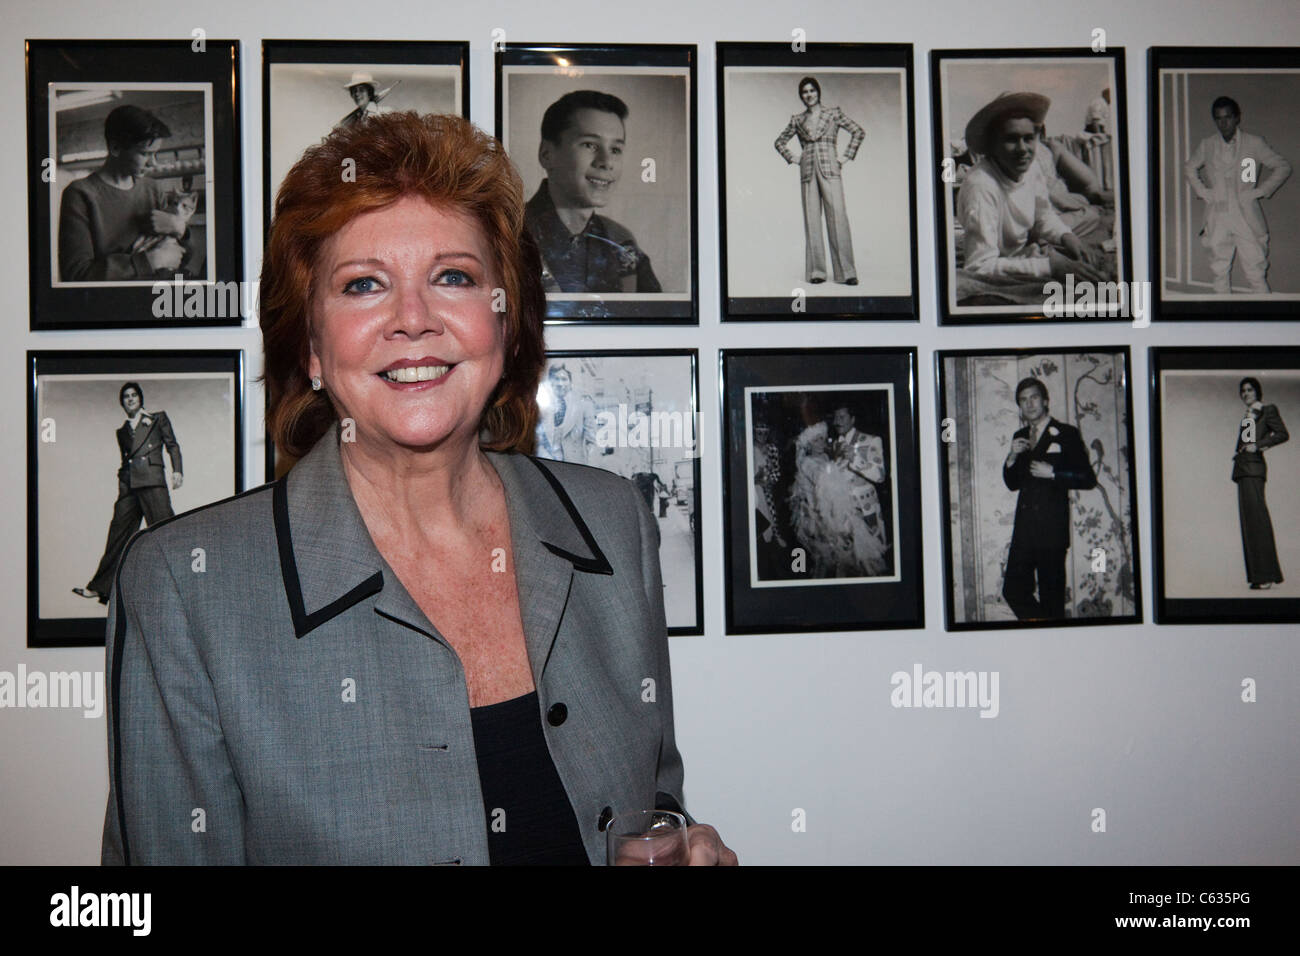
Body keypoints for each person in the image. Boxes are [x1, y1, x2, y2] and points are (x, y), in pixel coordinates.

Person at [101, 111, 734, 866]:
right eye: (364, 284)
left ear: (505, 324)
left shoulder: (611, 523)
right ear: (309, 345)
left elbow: (647, 803)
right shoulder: (183, 590)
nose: (413, 320)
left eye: (454, 277)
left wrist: (669, 845)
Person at [956, 92, 1107, 283]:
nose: (1022, 149)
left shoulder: (1031, 167)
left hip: (1022, 248)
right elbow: (979, 265)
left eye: (1028, 138)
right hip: (1000, 257)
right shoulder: (981, 186)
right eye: (1011, 139)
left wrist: (1067, 236)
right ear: (992, 145)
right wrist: (1049, 268)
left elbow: (1042, 215)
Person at [524, 90, 661, 294]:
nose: (606, 162)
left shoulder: (621, 242)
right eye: (589, 145)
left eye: (615, 150)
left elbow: (660, 321)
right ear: (547, 154)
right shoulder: (509, 235)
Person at [73, 383, 182, 605]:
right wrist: (122, 480)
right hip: (130, 486)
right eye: (126, 397)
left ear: (140, 399)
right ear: (122, 403)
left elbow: (172, 445)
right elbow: (126, 459)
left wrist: (177, 470)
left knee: (166, 531)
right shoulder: (122, 431)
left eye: (133, 395)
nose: (130, 399)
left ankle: (183, 582)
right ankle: (101, 588)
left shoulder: (157, 418)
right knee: (117, 535)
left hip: (152, 481)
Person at [58, 104, 195, 282]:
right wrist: (150, 261)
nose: (153, 164)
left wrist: (180, 229)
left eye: (156, 154)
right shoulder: (80, 194)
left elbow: (181, 257)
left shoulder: (153, 189)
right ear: (115, 148)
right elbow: (76, 275)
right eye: (145, 154)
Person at [1001, 377, 1097, 620]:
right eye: (1023, 400)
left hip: (1052, 532)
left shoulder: (1066, 433)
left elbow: (1087, 478)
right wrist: (1011, 457)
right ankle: (1041, 627)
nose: (1029, 404)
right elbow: (1013, 484)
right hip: (1024, 531)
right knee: (1013, 589)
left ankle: (1051, 644)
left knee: (1052, 598)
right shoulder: (1020, 435)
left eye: (1033, 397)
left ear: (1045, 401)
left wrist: (1053, 473)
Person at [1183, 96, 1292, 294]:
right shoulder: (1207, 144)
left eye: (1228, 117)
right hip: (1218, 215)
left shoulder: (1253, 143)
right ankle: (1222, 317)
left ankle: (1264, 318)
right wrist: (1203, 192)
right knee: (1219, 269)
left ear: (1237, 118)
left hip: (1245, 215)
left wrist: (1259, 192)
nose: (1223, 123)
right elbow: (1190, 167)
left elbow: (1282, 167)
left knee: (1255, 271)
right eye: (1218, 118)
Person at [774, 76, 864, 286]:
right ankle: (817, 271)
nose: (809, 95)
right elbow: (779, 142)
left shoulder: (833, 114)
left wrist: (845, 157)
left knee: (838, 218)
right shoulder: (797, 119)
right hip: (807, 172)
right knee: (812, 221)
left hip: (830, 169)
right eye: (805, 92)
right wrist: (794, 158)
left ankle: (846, 273)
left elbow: (858, 132)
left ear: (818, 92)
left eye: (812, 90)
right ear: (801, 96)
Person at [1232, 377, 1288, 589]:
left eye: (1249, 390)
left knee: (1258, 523)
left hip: (1254, 469)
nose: (1246, 393)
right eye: (1243, 391)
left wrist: (1260, 445)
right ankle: (1259, 576)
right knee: (1250, 526)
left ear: (1258, 392)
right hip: (1244, 470)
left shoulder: (1267, 410)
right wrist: (1248, 446)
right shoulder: (1248, 416)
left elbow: (1283, 434)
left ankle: (1267, 575)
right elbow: (1245, 443)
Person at [535, 362, 596, 464]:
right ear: (551, 382)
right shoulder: (542, 406)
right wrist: (546, 459)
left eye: (564, 379)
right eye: (556, 379)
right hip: (548, 464)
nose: (560, 383)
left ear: (570, 382)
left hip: (575, 466)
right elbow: (539, 440)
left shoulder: (584, 404)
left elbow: (592, 441)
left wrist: (589, 467)